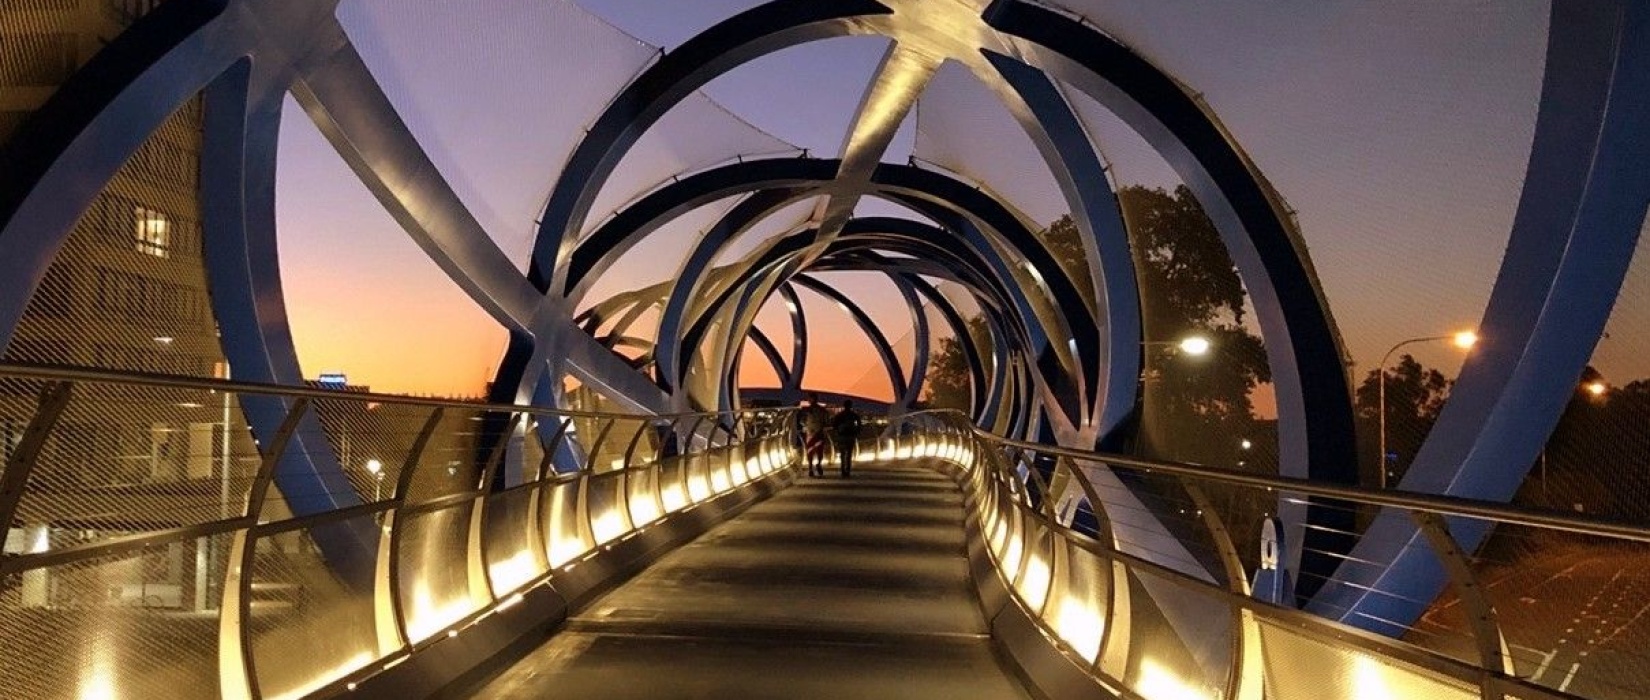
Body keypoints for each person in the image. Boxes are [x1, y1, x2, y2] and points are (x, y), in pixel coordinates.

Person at [798, 393, 830, 477]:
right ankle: (818, 464)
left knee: (810, 451)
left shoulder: (806, 410)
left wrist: (806, 426)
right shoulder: (822, 410)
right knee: (819, 451)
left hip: (810, 433)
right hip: (819, 433)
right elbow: (827, 421)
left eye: (809, 399)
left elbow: (801, 421)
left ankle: (810, 468)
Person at [829, 399, 863, 478]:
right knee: (849, 454)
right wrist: (856, 432)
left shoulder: (839, 415)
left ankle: (842, 470)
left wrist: (837, 431)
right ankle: (848, 470)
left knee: (842, 454)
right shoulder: (854, 415)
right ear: (851, 406)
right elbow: (859, 425)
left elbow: (834, 425)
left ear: (844, 406)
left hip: (842, 436)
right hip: (851, 436)